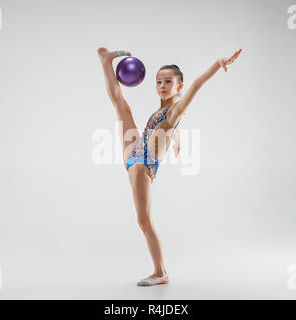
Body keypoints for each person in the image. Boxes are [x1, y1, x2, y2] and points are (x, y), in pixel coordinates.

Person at [97, 47, 242, 286]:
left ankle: (160, 272)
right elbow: (167, 128)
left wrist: (218, 63)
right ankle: (105, 63)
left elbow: (196, 84)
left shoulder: (176, 110)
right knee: (122, 107)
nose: (161, 85)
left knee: (143, 220)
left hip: (144, 165)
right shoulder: (161, 110)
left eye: (167, 82)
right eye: (158, 81)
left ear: (179, 86)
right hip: (133, 152)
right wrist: (176, 138)